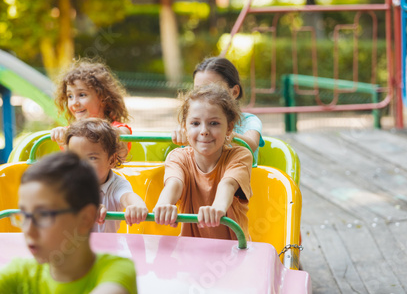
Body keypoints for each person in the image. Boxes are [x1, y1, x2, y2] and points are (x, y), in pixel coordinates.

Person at [0, 152, 137, 294]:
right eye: (24, 215)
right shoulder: (18, 272)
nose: (28, 230)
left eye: (43, 215)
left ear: (86, 218)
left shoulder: (116, 271)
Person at [154, 84, 252, 240]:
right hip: (191, 251)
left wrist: (217, 208)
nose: (204, 131)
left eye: (214, 123)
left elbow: (228, 184)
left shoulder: (239, 155)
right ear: (185, 128)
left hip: (234, 250)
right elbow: (174, 183)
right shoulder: (178, 158)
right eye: (195, 123)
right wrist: (165, 204)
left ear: (229, 128)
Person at [171, 57, 265, 160]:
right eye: (198, 90)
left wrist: (224, 133)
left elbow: (250, 145)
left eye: (212, 89)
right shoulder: (194, 124)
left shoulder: (248, 121)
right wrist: (185, 133)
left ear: (234, 92)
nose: (205, 96)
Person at [65, 118, 148, 233]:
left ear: (111, 160)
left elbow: (127, 196)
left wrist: (136, 205)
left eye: (92, 158)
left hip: (106, 248)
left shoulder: (117, 184)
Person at [51, 58, 132, 156]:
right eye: (70, 96)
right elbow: (73, 163)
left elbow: (121, 134)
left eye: (82, 95)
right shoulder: (69, 133)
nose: (74, 103)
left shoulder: (118, 129)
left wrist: (108, 133)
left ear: (103, 98)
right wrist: (62, 138)